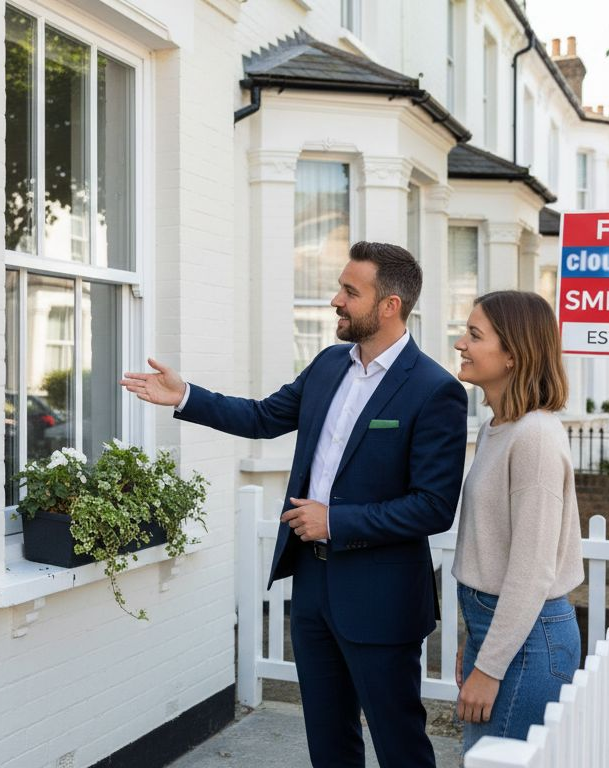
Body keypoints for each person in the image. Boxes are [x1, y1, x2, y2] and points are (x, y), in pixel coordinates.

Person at [121, 242, 467, 767]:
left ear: (390, 305)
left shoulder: (434, 389)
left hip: (382, 598)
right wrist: (185, 395)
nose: (336, 300)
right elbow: (262, 417)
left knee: (400, 745)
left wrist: (335, 520)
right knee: (328, 741)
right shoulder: (329, 365)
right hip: (312, 587)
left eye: (351, 292)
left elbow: (433, 506)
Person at [450, 290, 584, 753]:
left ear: (512, 354)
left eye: (474, 335)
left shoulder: (535, 438)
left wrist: (489, 668)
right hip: (498, 627)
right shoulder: (497, 428)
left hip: (530, 641)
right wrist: (477, 642)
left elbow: (531, 570)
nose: (460, 345)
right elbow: (494, 551)